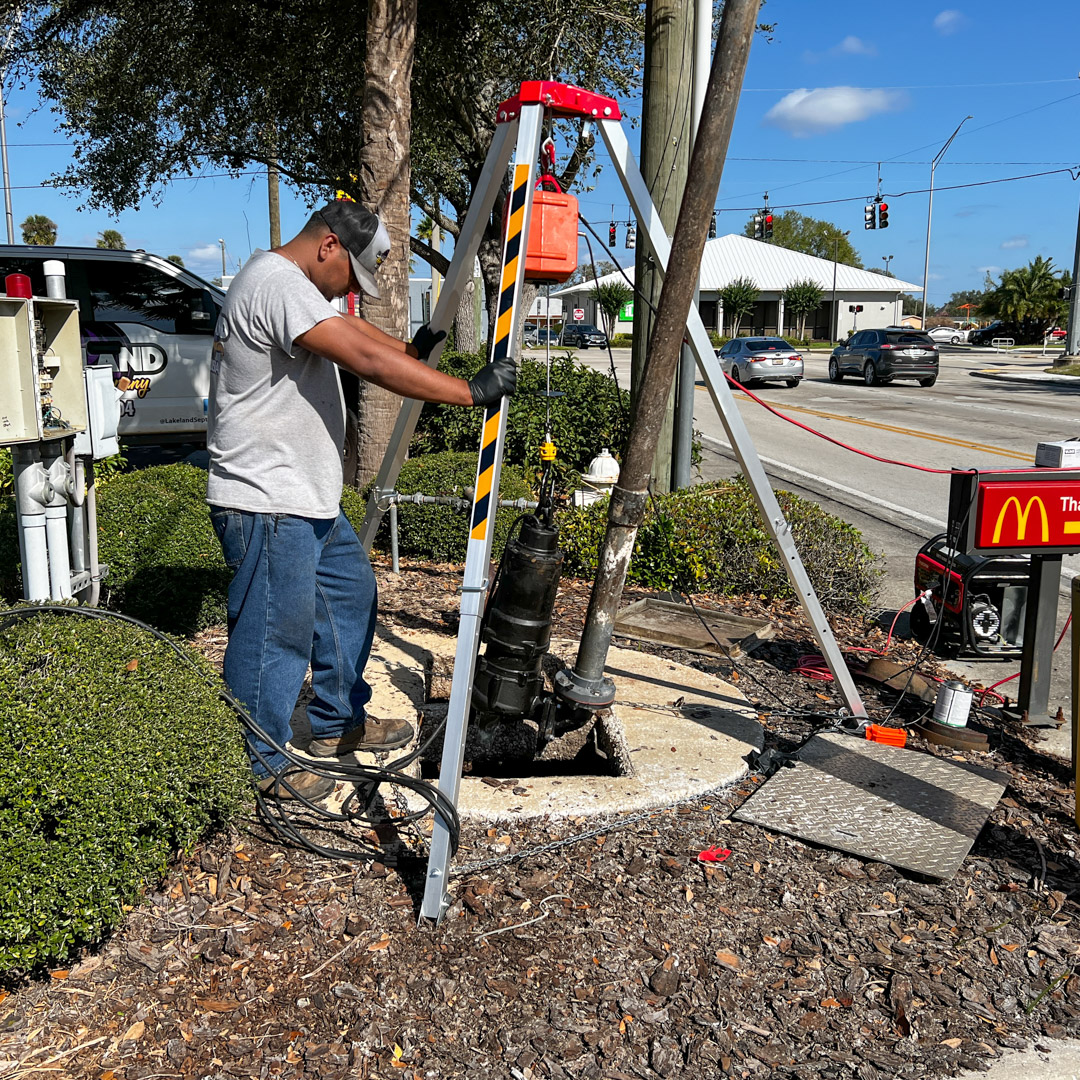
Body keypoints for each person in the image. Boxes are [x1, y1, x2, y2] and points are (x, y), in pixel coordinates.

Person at [206, 200, 517, 802]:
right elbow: (365, 359)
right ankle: (259, 769)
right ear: (328, 245)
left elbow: (358, 335)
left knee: (349, 594)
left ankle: (336, 724)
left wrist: (411, 344)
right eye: (351, 275)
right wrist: (468, 392)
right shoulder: (274, 281)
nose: (351, 289)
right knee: (274, 635)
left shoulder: (294, 287)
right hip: (267, 498)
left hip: (303, 496)